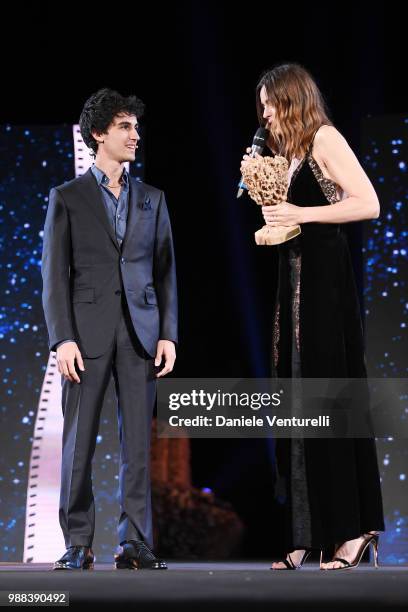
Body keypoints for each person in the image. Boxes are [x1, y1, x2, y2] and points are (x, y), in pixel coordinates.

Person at [241, 63, 384, 570]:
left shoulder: (324, 138)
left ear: (291, 100)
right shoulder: (286, 151)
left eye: (270, 104)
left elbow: (368, 203)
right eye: (261, 107)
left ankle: (353, 529)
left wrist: (301, 214)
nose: (265, 115)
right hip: (294, 278)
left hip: (324, 283)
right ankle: (306, 530)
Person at [41, 88, 178, 570]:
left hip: (140, 334)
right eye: (124, 126)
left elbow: (165, 272)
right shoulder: (68, 198)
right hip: (86, 334)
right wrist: (63, 338)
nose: (135, 135)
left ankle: (135, 541)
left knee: (137, 444)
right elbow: (53, 275)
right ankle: (78, 540)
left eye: (135, 127)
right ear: (99, 134)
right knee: (79, 442)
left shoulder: (152, 199)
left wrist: (168, 333)